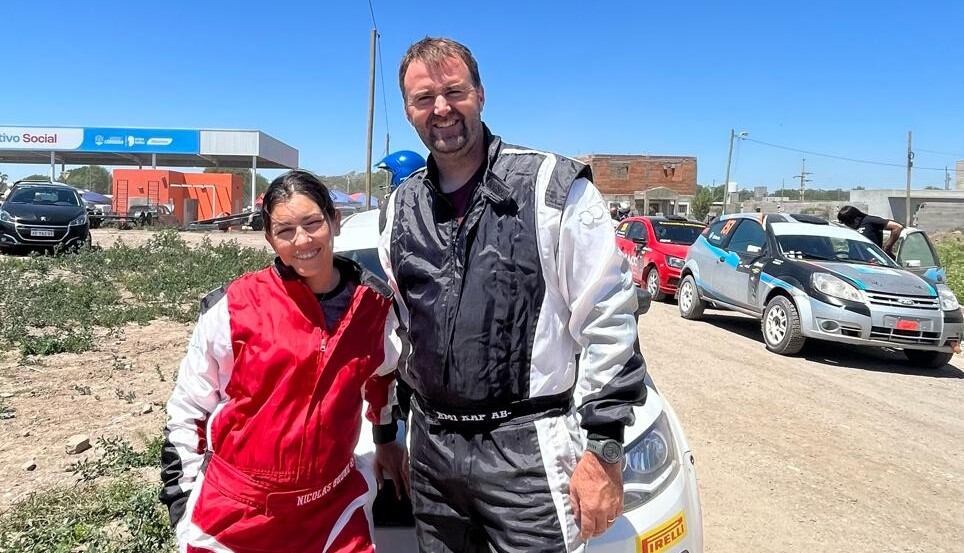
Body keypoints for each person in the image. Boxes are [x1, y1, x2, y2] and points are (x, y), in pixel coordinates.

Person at [378, 37, 647, 552]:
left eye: (454, 91)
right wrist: (387, 430)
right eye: (423, 98)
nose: (441, 109)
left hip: (527, 456)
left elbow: (610, 321)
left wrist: (605, 450)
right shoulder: (399, 209)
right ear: (409, 110)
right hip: (433, 455)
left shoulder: (551, 187)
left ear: (480, 93)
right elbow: (398, 336)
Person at [160, 170, 407, 553]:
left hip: (334, 514)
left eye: (312, 224)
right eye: (285, 230)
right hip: (234, 518)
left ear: (334, 220)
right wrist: (185, 505)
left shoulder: (374, 308)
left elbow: (384, 375)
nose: (303, 241)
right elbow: (188, 411)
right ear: (269, 238)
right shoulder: (233, 307)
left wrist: (386, 438)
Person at [837, 205, 904, 254]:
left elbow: (897, 227)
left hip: (872, 262)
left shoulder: (869, 221)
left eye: (847, 222)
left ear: (854, 218)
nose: (847, 224)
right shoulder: (850, 228)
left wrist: (887, 247)